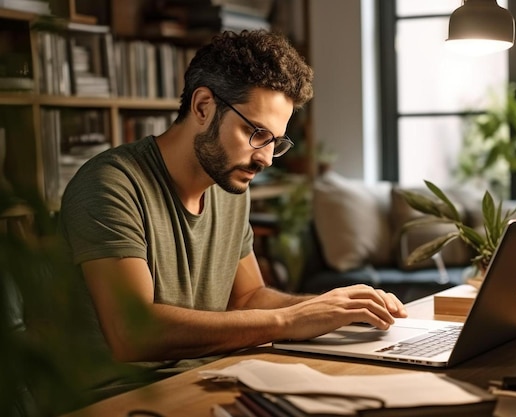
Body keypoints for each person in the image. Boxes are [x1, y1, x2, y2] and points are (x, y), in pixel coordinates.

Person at [59, 30, 407, 396]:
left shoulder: (228, 184)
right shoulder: (110, 184)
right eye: (255, 132)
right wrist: (288, 319)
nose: (266, 158)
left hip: (210, 379)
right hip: (120, 398)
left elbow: (247, 298)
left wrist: (334, 308)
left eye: (275, 141)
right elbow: (134, 332)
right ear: (203, 107)